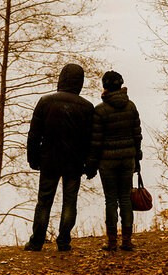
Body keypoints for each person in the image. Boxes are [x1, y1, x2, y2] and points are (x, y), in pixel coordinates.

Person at [25, 63, 94, 252]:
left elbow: (34, 134)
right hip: (75, 162)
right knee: (70, 202)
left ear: (61, 78)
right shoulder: (87, 107)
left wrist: (33, 158)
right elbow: (90, 139)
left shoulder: (45, 102)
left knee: (44, 201)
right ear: (80, 82)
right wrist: (90, 164)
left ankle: (36, 241)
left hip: (49, 160)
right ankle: (64, 241)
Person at [85, 70, 142, 252]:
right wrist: (137, 156)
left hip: (107, 161)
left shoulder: (100, 110)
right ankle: (127, 241)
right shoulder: (131, 107)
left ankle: (111, 242)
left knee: (110, 200)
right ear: (121, 84)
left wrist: (91, 164)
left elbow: (95, 142)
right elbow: (137, 135)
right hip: (127, 159)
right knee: (125, 198)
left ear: (105, 87)